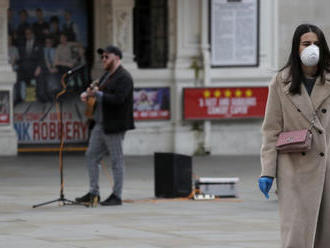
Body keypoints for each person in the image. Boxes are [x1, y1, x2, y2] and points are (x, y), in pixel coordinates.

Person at [259, 24, 330, 248]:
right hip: (292, 167)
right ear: (296, 48)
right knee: (296, 233)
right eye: (306, 44)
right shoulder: (281, 82)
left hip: (327, 166)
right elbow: (271, 129)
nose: (312, 49)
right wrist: (267, 171)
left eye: (316, 44)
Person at [75, 45, 135, 206]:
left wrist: (97, 94)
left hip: (114, 125)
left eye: (106, 57)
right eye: (102, 57)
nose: (103, 60)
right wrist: (87, 94)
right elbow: (96, 90)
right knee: (91, 156)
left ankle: (117, 195)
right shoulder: (107, 75)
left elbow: (118, 99)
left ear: (116, 57)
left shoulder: (124, 77)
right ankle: (93, 193)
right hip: (100, 123)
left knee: (116, 160)